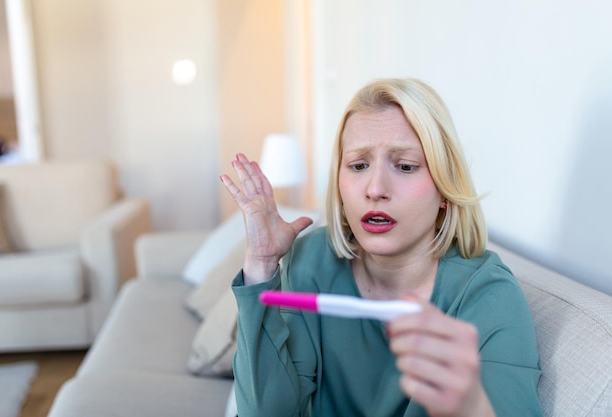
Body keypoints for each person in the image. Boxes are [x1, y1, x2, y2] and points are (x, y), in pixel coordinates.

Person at [220, 78, 542, 417]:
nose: (375, 189)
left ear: (446, 190)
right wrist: (261, 264)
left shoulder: (488, 297)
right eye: (359, 166)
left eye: (405, 166)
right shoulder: (311, 259)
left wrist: (469, 405)